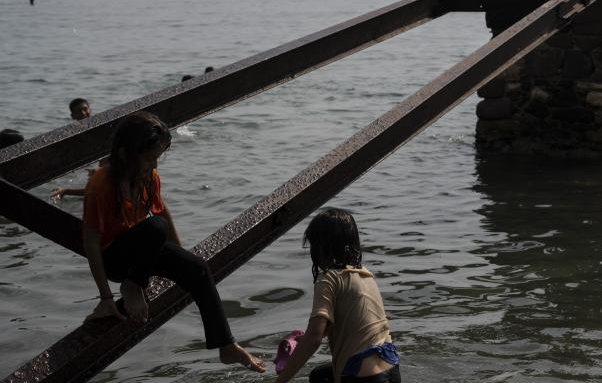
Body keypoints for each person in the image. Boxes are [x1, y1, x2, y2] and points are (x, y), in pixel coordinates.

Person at [81, 111, 265, 372]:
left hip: (142, 253)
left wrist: (181, 257)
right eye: (148, 159)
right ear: (124, 154)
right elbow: (90, 244)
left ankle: (226, 345)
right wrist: (105, 297)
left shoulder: (148, 178)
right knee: (156, 227)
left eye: (157, 159)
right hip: (116, 260)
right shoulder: (101, 185)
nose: (153, 167)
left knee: (198, 268)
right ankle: (133, 287)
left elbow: (161, 211)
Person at [272, 208, 400, 383]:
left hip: (362, 376)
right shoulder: (365, 275)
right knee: (320, 375)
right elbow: (357, 323)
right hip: (391, 369)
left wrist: (282, 380)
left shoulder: (328, 278)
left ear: (321, 248)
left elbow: (314, 338)